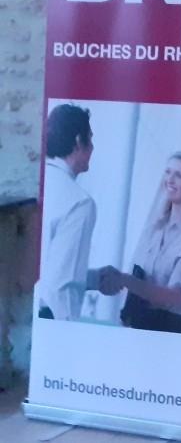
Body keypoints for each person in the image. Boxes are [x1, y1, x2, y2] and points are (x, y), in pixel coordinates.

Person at [109, 150, 181, 336]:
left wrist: (126, 280)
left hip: (175, 326)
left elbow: (174, 297)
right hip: (144, 321)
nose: (170, 180)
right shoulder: (157, 225)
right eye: (168, 172)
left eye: (179, 175)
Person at [36, 104, 116, 320]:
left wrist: (92, 279)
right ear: (79, 141)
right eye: (90, 139)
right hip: (49, 320)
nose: (93, 148)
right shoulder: (79, 203)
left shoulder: (34, 183)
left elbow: (46, 271)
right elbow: (62, 286)